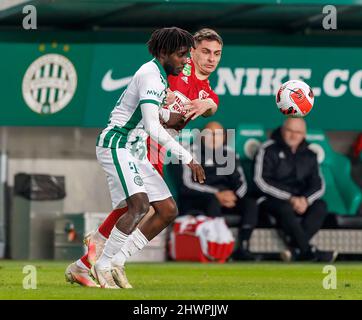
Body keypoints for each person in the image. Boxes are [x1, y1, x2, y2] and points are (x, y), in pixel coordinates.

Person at [65, 28, 223, 287]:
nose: (211, 59)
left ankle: (99, 260)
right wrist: (187, 154)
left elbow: (208, 103)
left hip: (149, 146)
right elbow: (152, 118)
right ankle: (101, 253)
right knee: (137, 205)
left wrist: (208, 105)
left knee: (156, 208)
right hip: (136, 143)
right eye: (204, 52)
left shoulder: (201, 87)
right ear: (190, 52)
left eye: (217, 54)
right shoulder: (169, 72)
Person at [254, 117, 338, 262]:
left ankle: (295, 249)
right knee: (285, 208)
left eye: (298, 132)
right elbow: (260, 181)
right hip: (272, 200)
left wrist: (305, 200)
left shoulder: (310, 154)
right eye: (290, 131)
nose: (293, 135)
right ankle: (307, 251)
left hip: (302, 200)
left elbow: (318, 184)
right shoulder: (267, 149)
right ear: (282, 130)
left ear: (304, 134)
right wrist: (290, 198)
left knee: (320, 206)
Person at [174, 121, 259, 260]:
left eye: (218, 135)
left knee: (251, 203)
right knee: (212, 200)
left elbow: (241, 182)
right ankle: (217, 248)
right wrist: (217, 194)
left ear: (224, 137)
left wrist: (234, 196)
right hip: (200, 200)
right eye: (210, 134)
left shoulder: (230, 153)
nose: (214, 138)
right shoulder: (189, 152)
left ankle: (243, 247)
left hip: (228, 200)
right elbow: (186, 184)